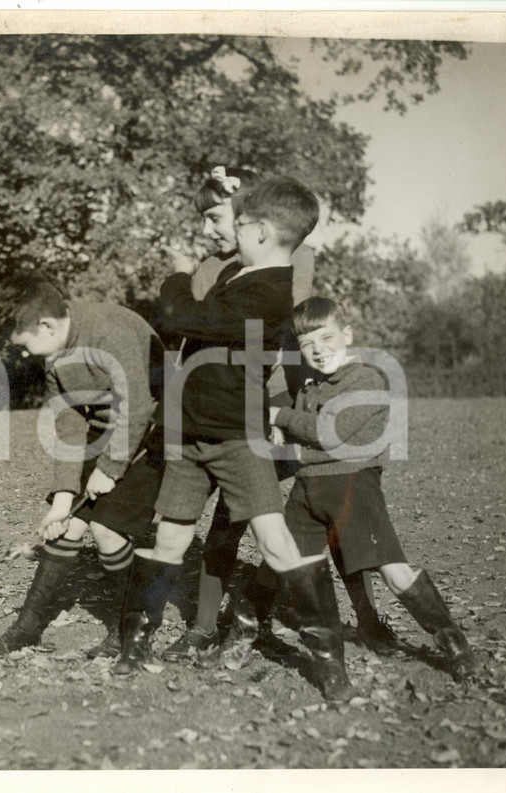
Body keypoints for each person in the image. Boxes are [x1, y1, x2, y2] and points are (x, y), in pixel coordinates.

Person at [125, 175, 356, 703]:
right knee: (170, 538)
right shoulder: (240, 274)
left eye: (239, 222)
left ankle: (329, 661)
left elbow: (181, 315)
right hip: (193, 433)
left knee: (274, 539)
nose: (228, 229)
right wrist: (236, 201)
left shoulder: (269, 290)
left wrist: (177, 274)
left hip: (236, 436)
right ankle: (134, 646)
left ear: (262, 231)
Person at [267, 297, 479, 679]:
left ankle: (453, 643)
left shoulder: (366, 379)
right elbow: (299, 441)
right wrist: (280, 429)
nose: (318, 350)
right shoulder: (310, 387)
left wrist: (280, 416)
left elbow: (326, 433)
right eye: (307, 344)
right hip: (307, 489)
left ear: (347, 335)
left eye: (327, 338)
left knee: (394, 572)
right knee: (297, 568)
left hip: (352, 486)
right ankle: (329, 665)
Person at [159, 165, 321, 663]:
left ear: (248, 219)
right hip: (216, 411)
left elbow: (289, 335)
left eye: (214, 217)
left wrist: (297, 404)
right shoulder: (217, 267)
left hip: (265, 407)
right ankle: (210, 626)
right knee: (226, 526)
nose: (207, 231)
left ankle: (261, 622)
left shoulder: (293, 260)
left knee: (263, 523)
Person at [0, 273, 165, 658]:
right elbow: (67, 421)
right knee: (65, 529)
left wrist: (110, 468)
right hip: (107, 434)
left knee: (106, 534)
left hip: (156, 431)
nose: (28, 354)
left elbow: (139, 408)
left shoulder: (109, 331)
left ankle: (131, 627)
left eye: (26, 344)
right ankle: (28, 626)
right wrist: (63, 497)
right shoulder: (55, 354)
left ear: (46, 325)